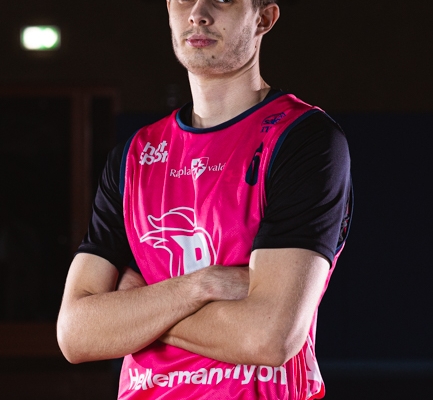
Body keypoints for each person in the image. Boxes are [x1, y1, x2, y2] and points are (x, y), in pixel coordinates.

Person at [57, 0, 352, 398]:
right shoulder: (134, 157)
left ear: (264, 18)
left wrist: (135, 310)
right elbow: (76, 334)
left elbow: (268, 337)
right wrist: (200, 286)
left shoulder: (302, 139)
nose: (198, 12)